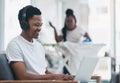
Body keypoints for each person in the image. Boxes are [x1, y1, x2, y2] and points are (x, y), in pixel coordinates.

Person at [6, 5, 74, 80]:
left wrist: (62, 77)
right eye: (36, 25)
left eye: (40, 25)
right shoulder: (15, 45)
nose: (39, 29)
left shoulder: (39, 46)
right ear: (24, 25)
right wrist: (54, 77)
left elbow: (45, 72)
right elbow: (22, 77)